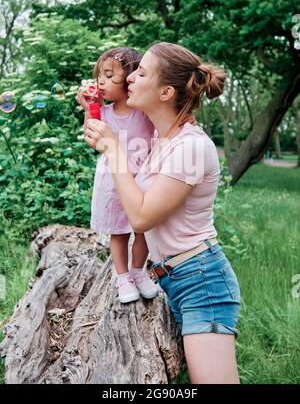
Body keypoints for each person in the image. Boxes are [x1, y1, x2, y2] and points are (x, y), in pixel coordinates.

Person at [84, 42, 241, 384]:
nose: (131, 78)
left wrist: (113, 147)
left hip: (202, 282)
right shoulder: (162, 137)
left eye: (141, 73)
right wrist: (94, 109)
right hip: (171, 276)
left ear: (166, 91)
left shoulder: (191, 147)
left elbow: (141, 218)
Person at [76, 47, 159, 303]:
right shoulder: (104, 113)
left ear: (132, 79)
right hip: (112, 181)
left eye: (110, 76)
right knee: (119, 233)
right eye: (100, 75)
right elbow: (92, 136)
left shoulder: (143, 111)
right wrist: (90, 107)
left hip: (141, 180)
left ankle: (138, 271)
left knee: (144, 230)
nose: (101, 81)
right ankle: (122, 277)